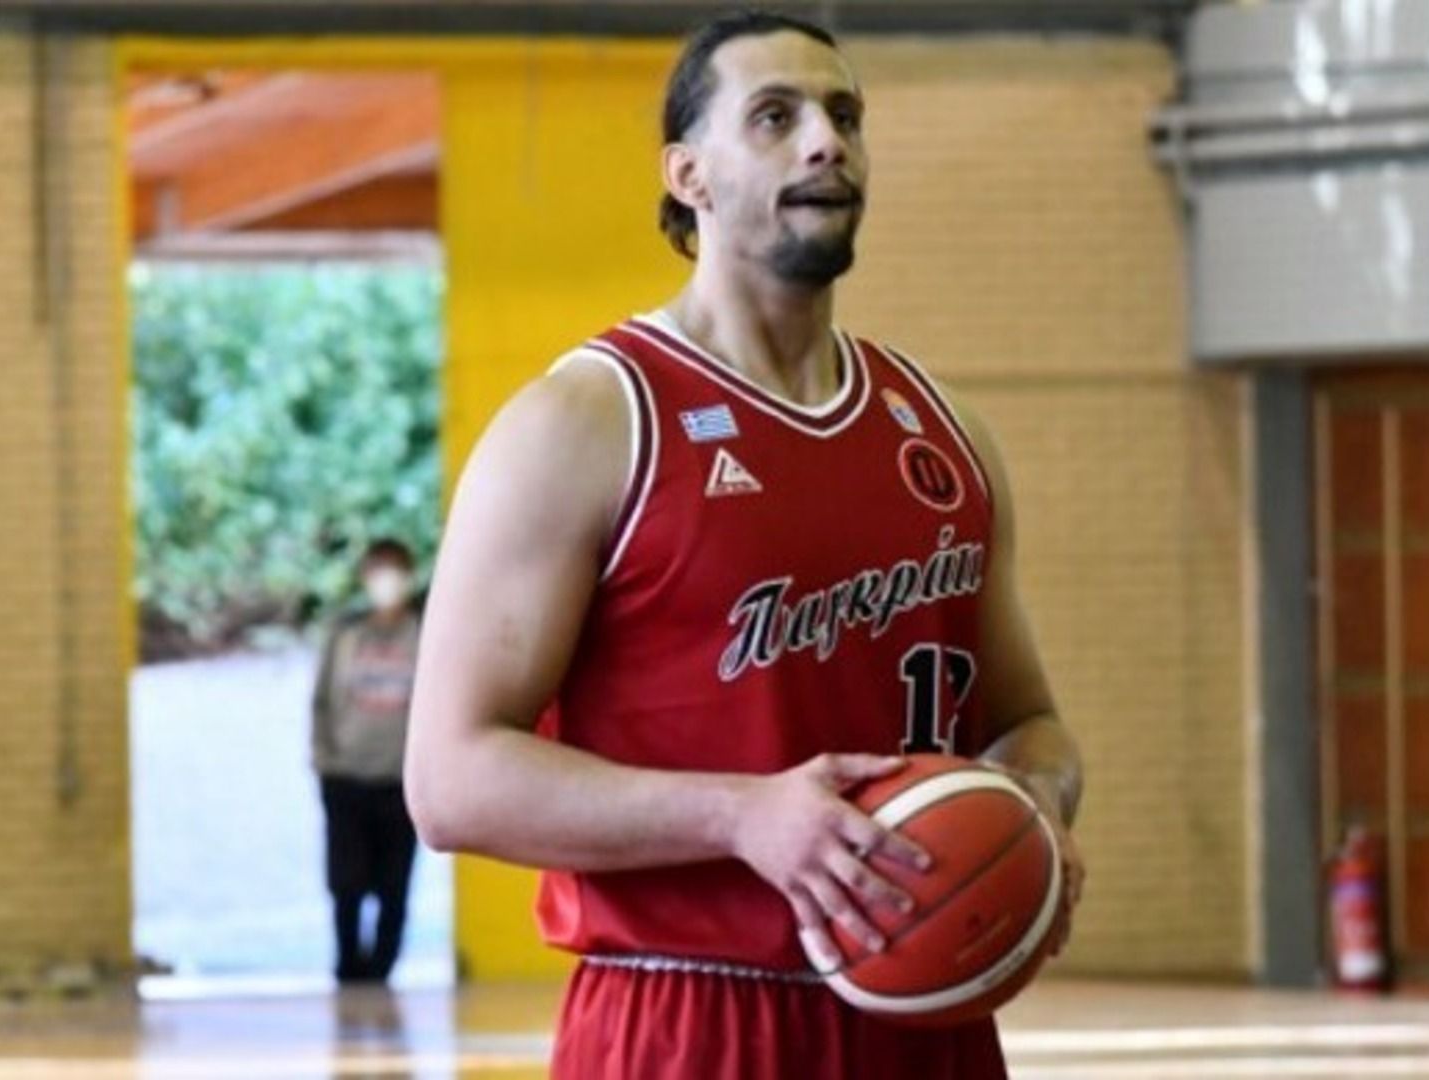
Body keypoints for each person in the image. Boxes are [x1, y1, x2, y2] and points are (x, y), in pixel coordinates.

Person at [404, 10, 1083, 1077]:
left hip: (927, 1022)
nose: (825, 142)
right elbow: (450, 781)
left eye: (844, 116)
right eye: (775, 117)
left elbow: (1028, 724)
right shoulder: (585, 422)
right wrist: (741, 817)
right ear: (689, 175)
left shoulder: (945, 429)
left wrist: (1031, 805)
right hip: (685, 1013)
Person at [313, 538, 423, 984]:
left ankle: (382, 968)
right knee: (346, 881)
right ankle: (347, 965)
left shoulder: (424, 634)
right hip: (346, 776)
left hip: (401, 781)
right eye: (378, 570)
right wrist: (324, 758)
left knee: (394, 884)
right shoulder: (344, 636)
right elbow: (321, 702)